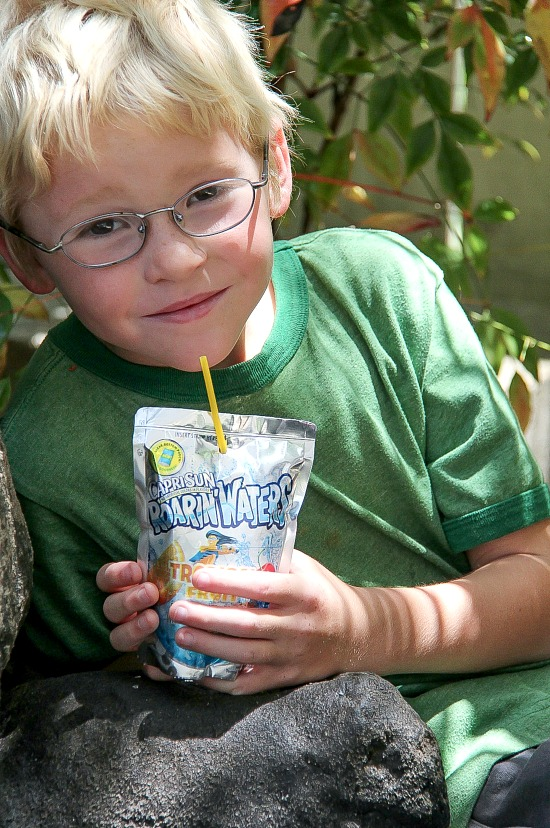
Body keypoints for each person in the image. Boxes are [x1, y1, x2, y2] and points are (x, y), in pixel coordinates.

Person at [0, 2, 549, 826]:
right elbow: (72, 734)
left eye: (208, 194)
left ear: (278, 167)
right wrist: (146, 649)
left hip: (522, 727)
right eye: (105, 225)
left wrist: (362, 628)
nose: (176, 258)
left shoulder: (383, 298)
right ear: (24, 259)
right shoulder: (46, 451)